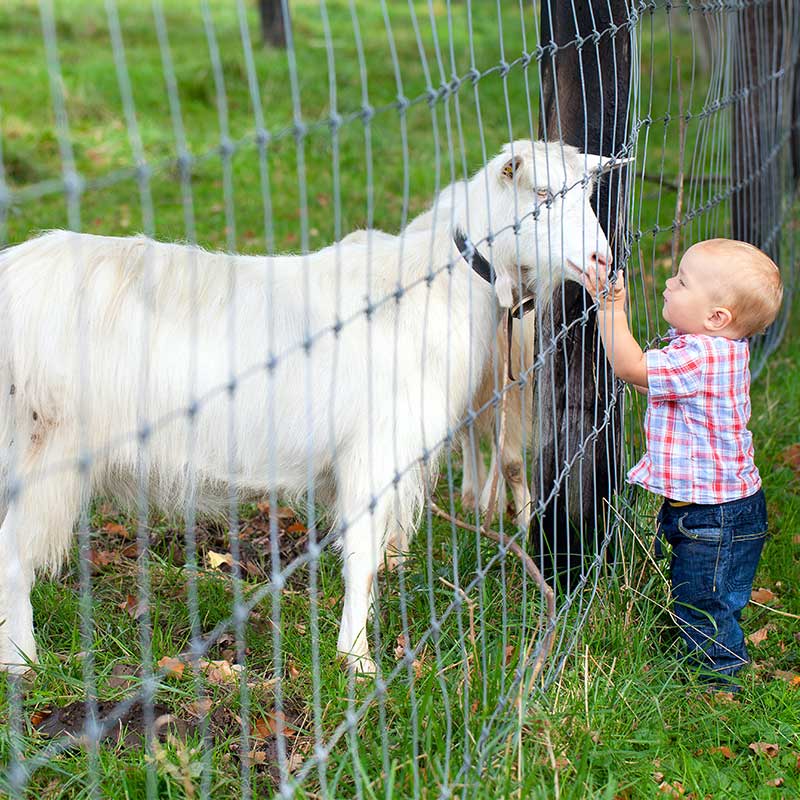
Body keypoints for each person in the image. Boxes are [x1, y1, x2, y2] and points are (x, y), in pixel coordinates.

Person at [583, 239, 783, 685]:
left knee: (703, 600)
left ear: (716, 317)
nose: (668, 285)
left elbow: (632, 370)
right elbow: (653, 382)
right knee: (709, 592)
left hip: (714, 516)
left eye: (682, 281)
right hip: (718, 507)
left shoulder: (701, 356)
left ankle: (719, 679)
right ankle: (711, 648)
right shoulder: (715, 348)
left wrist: (611, 308)